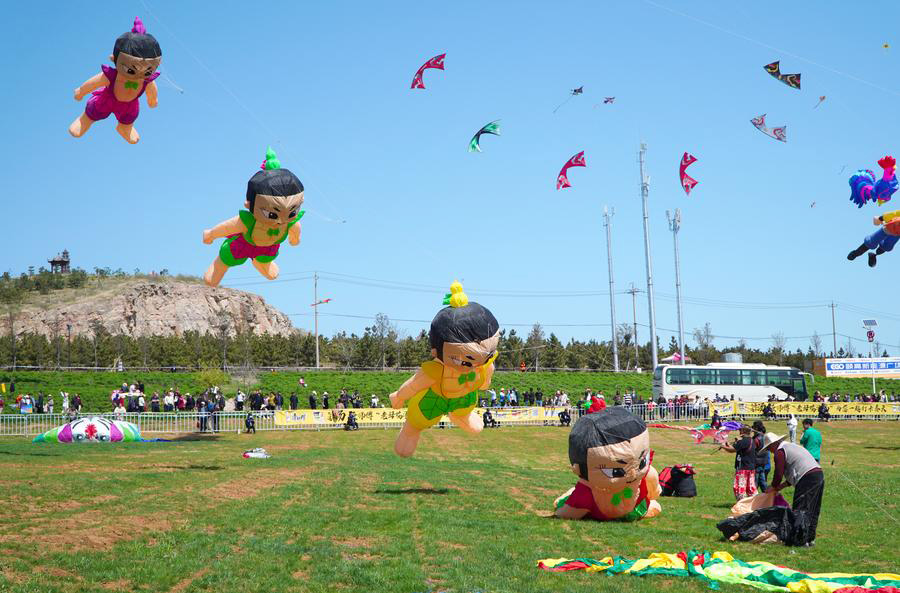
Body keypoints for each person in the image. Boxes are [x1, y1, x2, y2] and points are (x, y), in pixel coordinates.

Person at [389, 282, 499, 457]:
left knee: (466, 408)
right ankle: (410, 431)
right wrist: (399, 396)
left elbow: (486, 377)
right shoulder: (435, 370)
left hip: (463, 396)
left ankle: (461, 415)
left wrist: (485, 380)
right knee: (418, 420)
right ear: (436, 350)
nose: (478, 361)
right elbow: (414, 385)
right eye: (469, 358)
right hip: (435, 398)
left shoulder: (485, 364)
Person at [202, 147, 305, 286]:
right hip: (243, 245)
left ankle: (262, 263)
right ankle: (217, 270)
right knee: (228, 257)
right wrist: (211, 234)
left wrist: (295, 239)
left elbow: (296, 231)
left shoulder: (290, 223)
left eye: (292, 212)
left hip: (267, 248)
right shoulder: (247, 222)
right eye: (272, 214)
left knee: (266, 260)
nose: (280, 220)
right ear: (249, 204)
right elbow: (226, 228)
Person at [68, 17, 162, 144]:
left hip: (130, 105)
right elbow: (94, 82)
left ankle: (125, 128)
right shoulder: (112, 76)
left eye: (147, 71)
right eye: (132, 69)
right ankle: (85, 120)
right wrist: (81, 91)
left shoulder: (147, 81)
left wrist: (152, 99)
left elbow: (152, 90)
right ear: (114, 59)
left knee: (129, 117)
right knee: (95, 109)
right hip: (108, 98)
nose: (140, 73)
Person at [762, 432, 824, 546]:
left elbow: (778, 474)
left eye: (769, 447)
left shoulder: (779, 453)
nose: (770, 451)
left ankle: (799, 540)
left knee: (801, 509)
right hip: (818, 474)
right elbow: (791, 477)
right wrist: (779, 487)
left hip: (807, 478)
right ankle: (810, 539)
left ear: (774, 444)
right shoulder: (790, 446)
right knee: (813, 509)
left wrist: (773, 486)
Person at [719, 425, 757, 500]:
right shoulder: (752, 440)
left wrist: (723, 446)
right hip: (751, 467)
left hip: (743, 467)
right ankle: (754, 503)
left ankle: (742, 504)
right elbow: (736, 448)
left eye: (740, 430)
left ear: (743, 431)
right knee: (751, 487)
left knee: (740, 488)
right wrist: (729, 445)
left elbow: (732, 450)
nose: (739, 431)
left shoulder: (743, 441)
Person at [751, 420, 770, 492]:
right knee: (762, 482)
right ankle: (768, 497)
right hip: (763, 462)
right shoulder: (764, 437)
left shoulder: (756, 439)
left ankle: (753, 499)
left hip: (756, 463)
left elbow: (752, 450)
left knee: (754, 483)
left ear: (756, 428)